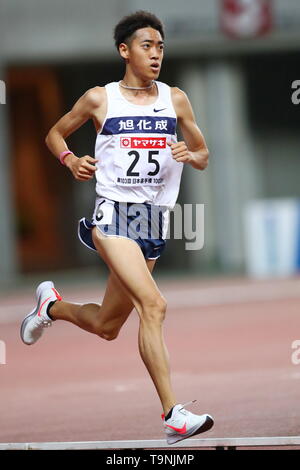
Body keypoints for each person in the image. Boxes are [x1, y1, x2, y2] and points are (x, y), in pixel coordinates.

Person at [20, 10, 213, 445]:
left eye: (161, 47)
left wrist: (189, 154)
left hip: (154, 220)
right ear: (125, 51)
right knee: (155, 306)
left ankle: (50, 306)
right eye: (147, 46)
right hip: (114, 215)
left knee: (108, 325)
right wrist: (70, 160)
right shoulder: (99, 98)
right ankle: (173, 416)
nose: (156, 54)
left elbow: (203, 154)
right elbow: (55, 134)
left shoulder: (176, 98)